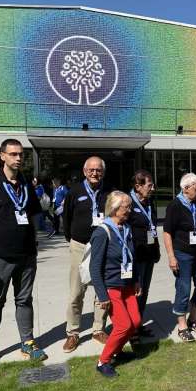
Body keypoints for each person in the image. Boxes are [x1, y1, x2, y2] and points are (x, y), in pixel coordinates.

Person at [0, 138, 47, 369]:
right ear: (2, 156)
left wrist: (34, 241)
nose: (18, 158)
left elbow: (32, 215)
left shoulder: (26, 184)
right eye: (13, 154)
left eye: (21, 154)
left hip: (26, 256)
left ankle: (28, 342)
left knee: (24, 300)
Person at [62, 156, 114, 352]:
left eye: (98, 170)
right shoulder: (74, 192)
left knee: (102, 290)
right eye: (91, 170)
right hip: (79, 245)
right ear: (84, 172)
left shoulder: (110, 192)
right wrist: (72, 239)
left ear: (103, 172)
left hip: (103, 246)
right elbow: (66, 218)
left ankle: (98, 329)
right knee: (76, 291)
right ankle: (72, 332)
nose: (94, 173)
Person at [90, 191, 142, 378]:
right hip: (111, 287)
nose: (130, 210)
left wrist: (136, 280)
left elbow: (133, 257)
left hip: (127, 285)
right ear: (114, 208)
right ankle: (103, 361)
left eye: (130, 206)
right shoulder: (102, 232)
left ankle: (117, 351)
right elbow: (94, 267)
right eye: (126, 207)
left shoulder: (126, 228)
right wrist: (102, 295)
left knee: (135, 322)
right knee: (123, 325)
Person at [163, 173, 196, 342]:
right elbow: (167, 232)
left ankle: (193, 318)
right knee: (183, 288)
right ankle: (182, 326)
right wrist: (171, 256)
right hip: (183, 253)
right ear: (185, 188)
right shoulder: (175, 206)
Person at [128, 169, 160, 339]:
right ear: (138, 186)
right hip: (136, 256)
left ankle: (138, 324)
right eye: (149, 185)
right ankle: (131, 328)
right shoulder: (128, 203)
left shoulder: (149, 202)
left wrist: (156, 250)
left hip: (149, 254)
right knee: (136, 292)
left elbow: (152, 228)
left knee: (144, 291)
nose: (153, 188)